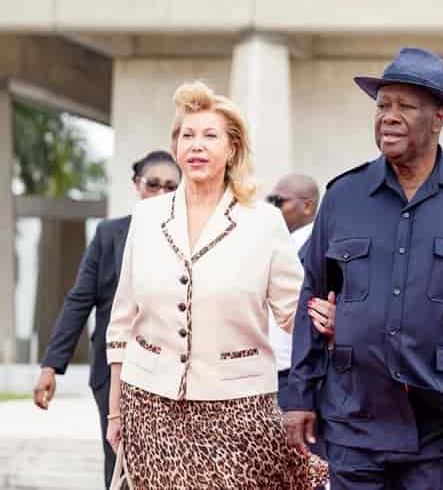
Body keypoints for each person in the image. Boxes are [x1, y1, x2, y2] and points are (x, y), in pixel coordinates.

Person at [283, 47, 443, 490]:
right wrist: (300, 394)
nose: (389, 118)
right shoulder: (344, 196)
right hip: (354, 415)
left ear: (438, 118)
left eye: (405, 107)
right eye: (382, 106)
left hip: (442, 422)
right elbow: (312, 299)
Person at [104, 82, 327, 489]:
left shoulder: (263, 222)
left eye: (210, 136)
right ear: (176, 147)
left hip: (240, 406)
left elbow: (294, 312)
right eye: (187, 135)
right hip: (151, 405)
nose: (197, 146)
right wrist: (116, 411)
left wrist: (331, 321)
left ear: (232, 148)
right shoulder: (147, 217)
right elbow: (122, 321)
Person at [33, 151, 180, 489]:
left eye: (170, 187)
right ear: (137, 184)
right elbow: (79, 300)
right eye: (153, 184)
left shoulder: (189, 236)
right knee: (119, 461)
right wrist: (51, 365)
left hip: (170, 369)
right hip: (113, 368)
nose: (161, 193)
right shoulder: (109, 234)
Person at [265, 174, 320, 409]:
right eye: (270, 200)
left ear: (307, 206)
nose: (272, 207)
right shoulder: (276, 241)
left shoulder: (317, 246)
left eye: (279, 201)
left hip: (296, 375)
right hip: (267, 373)